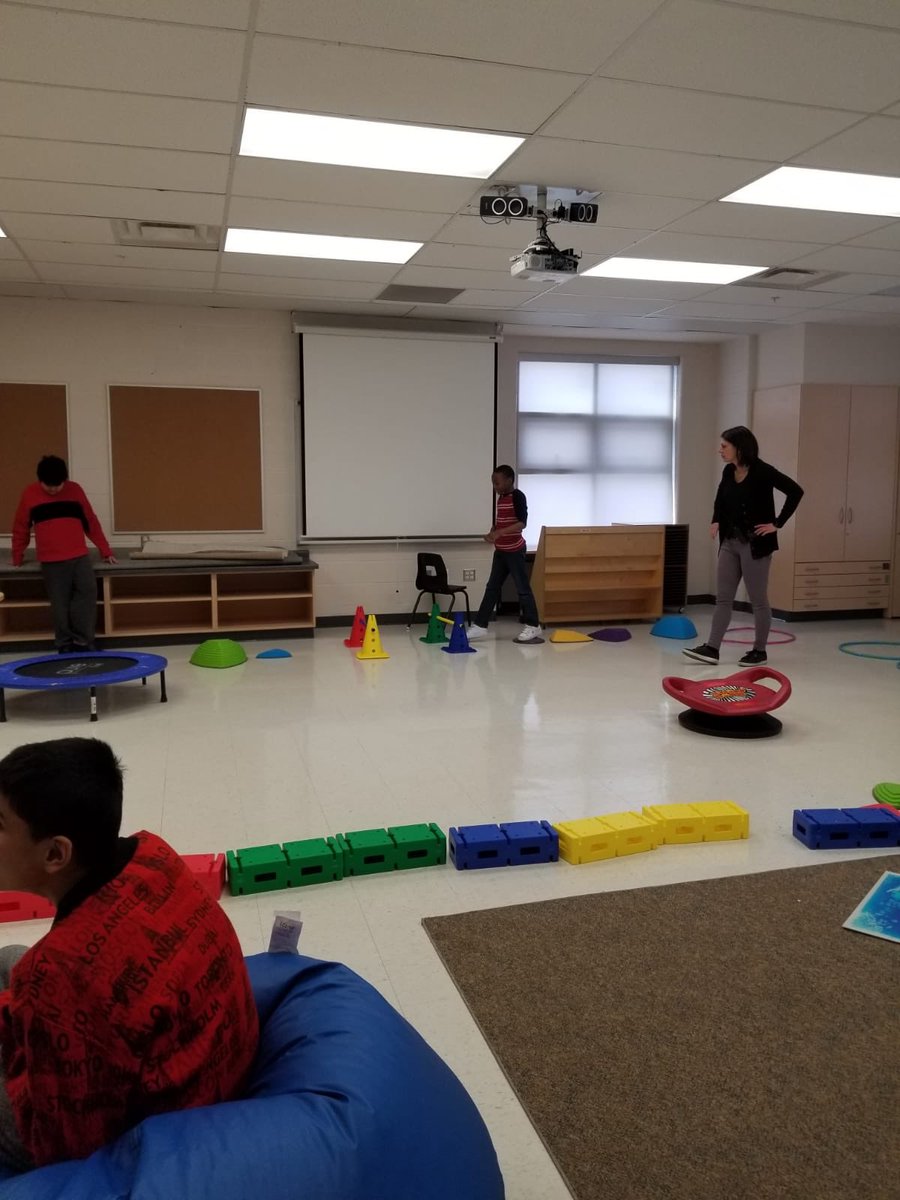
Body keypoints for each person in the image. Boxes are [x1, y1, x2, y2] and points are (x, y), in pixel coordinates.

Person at [0, 738, 259, 1171]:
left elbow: (64, 1140)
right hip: (208, 1059)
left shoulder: (56, 971)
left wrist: (22, 1029)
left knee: (20, 971)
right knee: (10, 957)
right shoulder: (152, 854)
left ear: (55, 854)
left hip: (164, 1121)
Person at [683, 426, 803, 667]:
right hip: (730, 542)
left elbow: (795, 491)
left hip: (756, 544)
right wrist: (716, 519)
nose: (720, 450)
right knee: (724, 598)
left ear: (739, 447)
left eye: (724, 446)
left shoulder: (763, 471)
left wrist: (777, 523)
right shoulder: (729, 472)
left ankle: (759, 651)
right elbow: (720, 498)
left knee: (758, 599)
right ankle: (712, 648)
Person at [10, 455, 116, 653]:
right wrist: (17, 555)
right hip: (51, 560)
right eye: (48, 485)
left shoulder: (75, 490)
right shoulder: (30, 494)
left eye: (57, 485)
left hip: (79, 556)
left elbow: (90, 522)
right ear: (39, 479)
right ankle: (64, 644)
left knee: (87, 592)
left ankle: (84, 641)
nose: (53, 489)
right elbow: (20, 528)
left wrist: (105, 550)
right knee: (59, 603)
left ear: (65, 480)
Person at [468, 465, 542, 645]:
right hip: (501, 551)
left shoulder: (518, 496)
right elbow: (500, 522)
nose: (495, 487)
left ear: (509, 480)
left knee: (522, 589)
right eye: (493, 483)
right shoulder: (501, 498)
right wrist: (492, 532)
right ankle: (480, 625)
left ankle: (533, 624)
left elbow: (521, 523)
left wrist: (501, 533)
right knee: (492, 587)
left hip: (515, 551)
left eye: (497, 483)